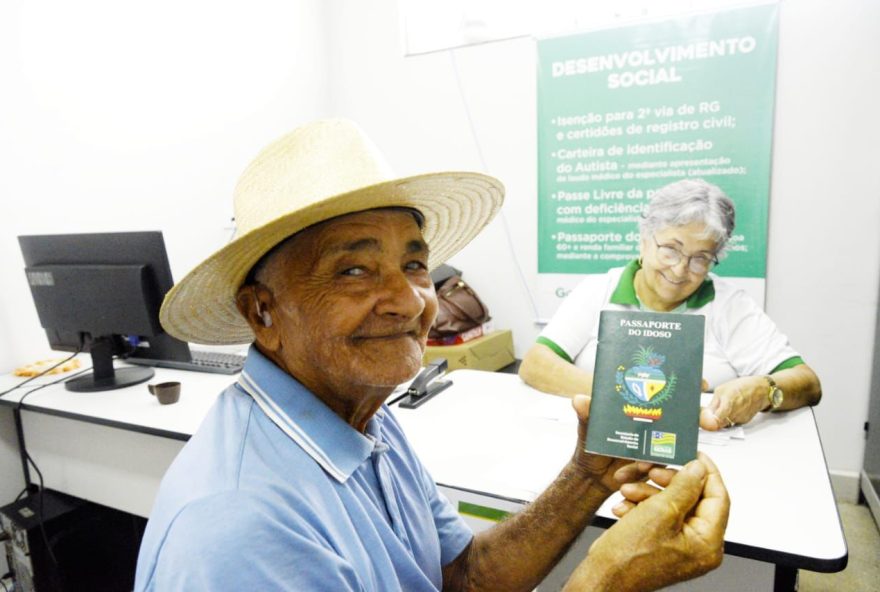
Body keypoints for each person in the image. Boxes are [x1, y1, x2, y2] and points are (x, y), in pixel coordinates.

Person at [134, 119, 729, 591]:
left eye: (415, 264)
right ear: (262, 313)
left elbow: (461, 575)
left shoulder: (366, 416)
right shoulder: (241, 530)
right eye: (353, 269)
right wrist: (604, 580)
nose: (410, 300)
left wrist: (587, 477)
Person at [520, 178, 822, 431]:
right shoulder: (598, 290)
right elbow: (536, 364)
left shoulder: (729, 306)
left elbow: (808, 383)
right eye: (670, 250)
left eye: (700, 258)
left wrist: (764, 390)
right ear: (644, 241)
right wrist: (628, 394)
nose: (679, 270)